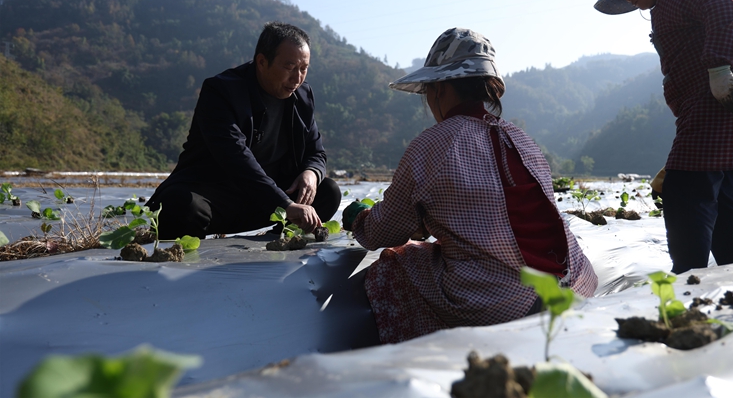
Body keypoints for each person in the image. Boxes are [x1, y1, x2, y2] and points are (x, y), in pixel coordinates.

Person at [341, 28, 598, 344]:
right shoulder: (523, 140)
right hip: (575, 286)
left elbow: (384, 232)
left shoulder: (433, 144)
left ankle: (418, 359)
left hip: (503, 303)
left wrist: (359, 219)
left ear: (440, 89)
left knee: (394, 266)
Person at [595, 0, 733, 274]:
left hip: (725, 95)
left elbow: (724, 9)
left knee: (684, 187)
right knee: (719, 195)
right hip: (717, 100)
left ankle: (687, 278)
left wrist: (719, 68)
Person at [147, 21, 341, 239]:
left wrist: (311, 174)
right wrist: (284, 204)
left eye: (303, 69)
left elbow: (316, 152)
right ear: (261, 61)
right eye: (289, 67)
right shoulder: (221, 91)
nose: (297, 78)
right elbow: (236, 159)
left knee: (328, 192)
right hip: (217, 195)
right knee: (181, 206)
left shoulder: (302, 97)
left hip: (265, 200)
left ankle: (281, 237)